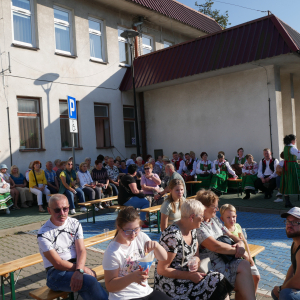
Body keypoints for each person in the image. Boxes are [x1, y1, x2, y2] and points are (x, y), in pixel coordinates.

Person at [155, 199, 233, 300]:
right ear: (192, 217)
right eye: (201, 215)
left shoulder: (192, 230)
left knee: (218, 278)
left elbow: (196, 256)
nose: (203, 218)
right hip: (171, 285)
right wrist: (189, 276)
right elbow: (162, 270)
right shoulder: (172, 236)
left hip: (187, 277)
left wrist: (196, 261)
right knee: (216, 284)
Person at [37, 194, 108, 300]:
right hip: (56, 274)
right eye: (57, 210)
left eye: (65, 209)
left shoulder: (74, 223)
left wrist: (79, 270)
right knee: (90, 281)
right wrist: (81, 270)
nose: (62, 213)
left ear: (69, 207)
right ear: (49, 210)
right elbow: (58, 263)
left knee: (88, 285)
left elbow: (81, 250)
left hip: (75, 267)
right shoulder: (43, 233)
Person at [195, 189, 255, 299]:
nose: (217, 210)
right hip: (211, 266)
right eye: (214, 207)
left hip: (225, 259)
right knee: (240, 281)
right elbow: (215, 246)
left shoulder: (214, 219)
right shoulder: (198, 225)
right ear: (204, 207)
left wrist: (240, 244)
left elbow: (231, 235)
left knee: (245, 265)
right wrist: (238, 250)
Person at [103, 206, 170, 300]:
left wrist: (157, 246)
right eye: (128, 231)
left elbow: (163, 257)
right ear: (119, 227)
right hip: (124, 296)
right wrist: (131, 277)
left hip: (145, 291)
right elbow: (110, 286)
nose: (133, 234)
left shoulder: (141, 237)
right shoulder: (112, 251)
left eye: (136, 229)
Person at [220, 204, 260, 293]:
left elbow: (245, 242)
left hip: (246, 258)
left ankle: (253, 296)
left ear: (236, 216)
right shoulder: (223, 231)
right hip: (236, 261)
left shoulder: (237, 226)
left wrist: (250, 259)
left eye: (233, 217)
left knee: (256, 277)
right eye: (228, 217)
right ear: (222, 219)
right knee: (240, 286)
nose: (231, 219)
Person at [272, 207, 300, 300]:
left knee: (287, 295)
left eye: (295, 222)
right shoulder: (295, 242)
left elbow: (298, 281)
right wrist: (283, 286)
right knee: (276, 293)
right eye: (288, 221)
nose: (289, 225)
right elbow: (293, 266)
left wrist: (281, 289)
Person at [280, 134, 300, 208]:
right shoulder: (292, 148)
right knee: (297, 181)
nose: (295, 141)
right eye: (295, 140)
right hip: (292, 166)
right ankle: (288, 202)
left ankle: (287, 202)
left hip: (287, 166)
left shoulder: (286, 147)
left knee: (286, 182)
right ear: (292, 140)